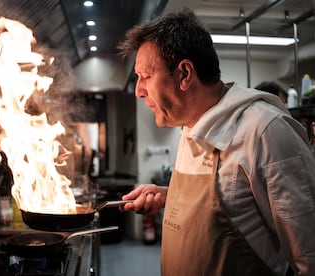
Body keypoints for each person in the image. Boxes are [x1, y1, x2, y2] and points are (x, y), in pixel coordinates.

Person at [117, 8, 315, 276]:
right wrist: (170, 196)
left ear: (185, 74)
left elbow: (309, 254)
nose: (139, 90)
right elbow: (236, 204)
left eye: (145, 76)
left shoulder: (265, 130)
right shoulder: (191, 128)